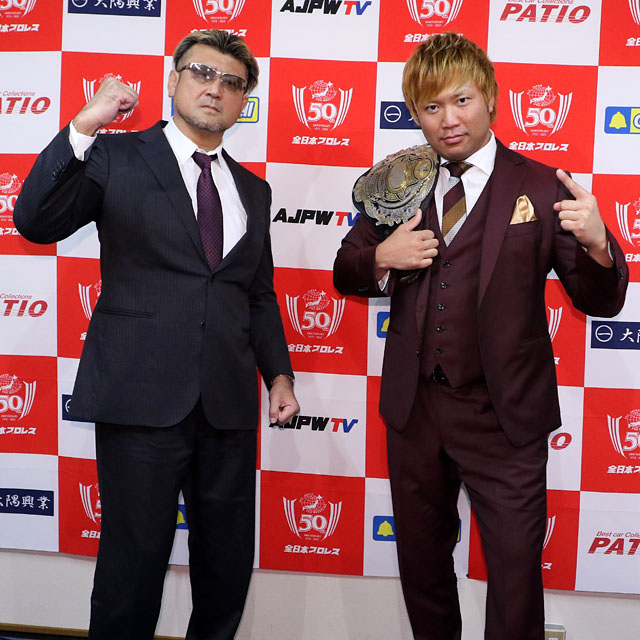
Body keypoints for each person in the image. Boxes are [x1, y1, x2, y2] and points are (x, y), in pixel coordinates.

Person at [333, 33, 628, 640]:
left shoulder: (542, 185)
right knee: (422, 566)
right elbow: (345, 269)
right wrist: (382, 255)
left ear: (491, 98)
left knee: (516, 574)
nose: (448, 119)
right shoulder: (401, 182)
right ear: (414, 114)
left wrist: (600, 243)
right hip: (415, 413)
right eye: (431, 107)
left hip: (505, 417)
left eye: (461, 100)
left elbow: (599, 300)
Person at [14, 29, 299, 640]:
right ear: (173, 80)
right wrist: (86, 124)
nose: (215, 89)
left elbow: (257, 294)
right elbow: (34, 220)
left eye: (232, 82)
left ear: (243, 100)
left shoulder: (254, 189)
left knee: (225, 568)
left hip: (227, 405)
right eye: (202, 73)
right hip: (140, 397)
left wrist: (278, 374)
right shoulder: (115, 156)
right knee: (133, 567)